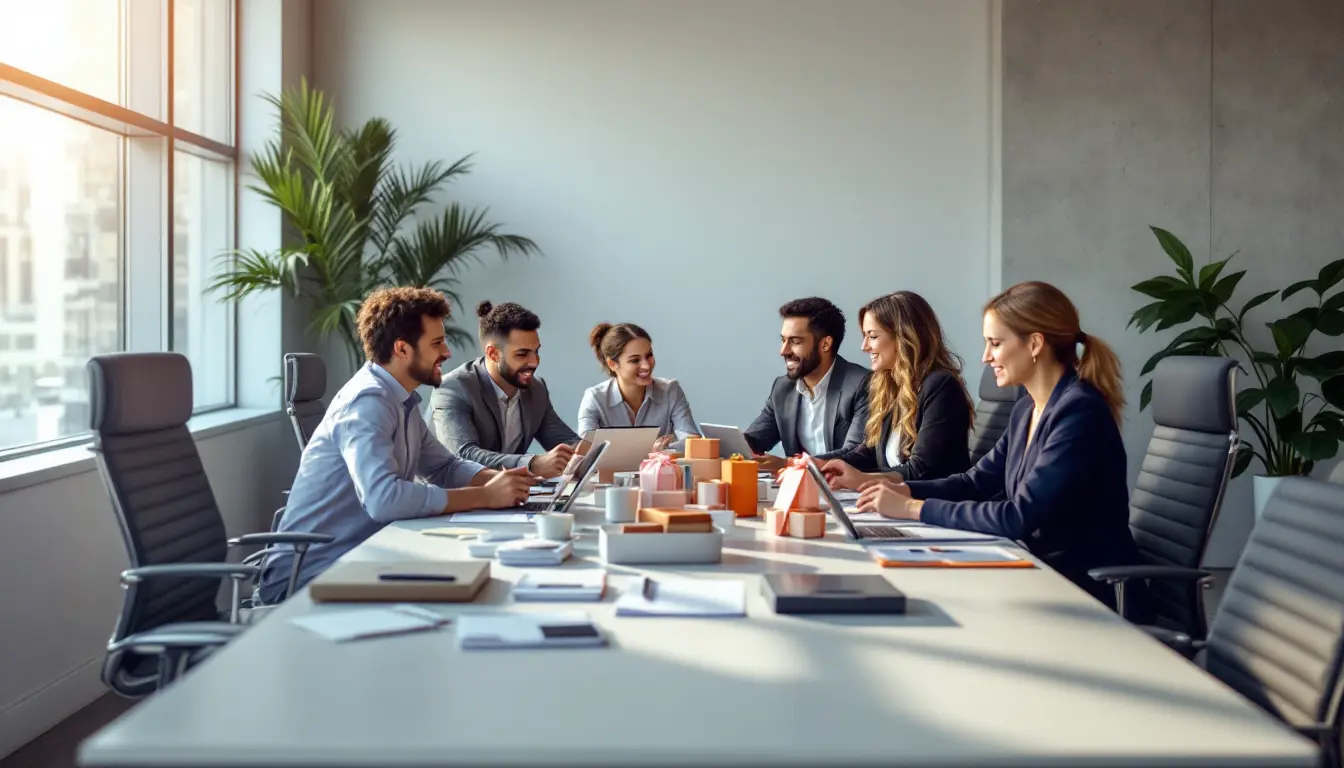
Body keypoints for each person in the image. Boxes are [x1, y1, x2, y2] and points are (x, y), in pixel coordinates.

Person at [853, 281, 1142, 608]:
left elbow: (1019, 516)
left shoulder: (1079, 411)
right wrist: (904, 491)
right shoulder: (1026, 410)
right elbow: (974, 482)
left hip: (1084, 589)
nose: (985, 356)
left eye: (995, 343)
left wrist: (912, 509)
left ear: (1034, 343)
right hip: (1038, 572)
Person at [259, 288, 536, 602]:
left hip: (363, 559)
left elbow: (444, 466)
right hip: (310, 576)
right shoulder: (368, 401)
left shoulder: (399, 398)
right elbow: (384, 499)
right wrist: (485, 496)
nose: (446, 352)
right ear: (403, 349)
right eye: (436, 343)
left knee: (482, 576)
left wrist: (510, 483)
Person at [821, 291, 973, 488]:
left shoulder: (941, 386)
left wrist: (862, 480)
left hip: (932, 508)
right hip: (897, 503)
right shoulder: (892, 387)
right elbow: (869, 453)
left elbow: (922, 470)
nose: (864, 346)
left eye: (872, 336)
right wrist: (823, 466)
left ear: (903, 337)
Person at [431, 300, 580, 477]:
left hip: (507, 498)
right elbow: (462, 455)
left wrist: (601, 451)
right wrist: (531, 464)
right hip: (453, 498)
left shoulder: (536, 388)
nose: (534, 362)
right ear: (493, 353)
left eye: (536, 351)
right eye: (522, 354)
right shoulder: (453, 387)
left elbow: (566, 443)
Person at [743, 297, 871, 471]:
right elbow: (755, 440)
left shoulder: (862, 385)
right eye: (783, 340)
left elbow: (855, 452)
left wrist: (789, 464)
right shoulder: (783, 388)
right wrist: (720, 447)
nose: (784, 351)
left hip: (848, 492)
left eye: (795, 341)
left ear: (825, 344)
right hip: (799, 490)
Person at [577, 322, 700, 452]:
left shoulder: (671, 391)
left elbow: (692, 442)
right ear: (612, 364)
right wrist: (651, 451)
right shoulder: (595, 398)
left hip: (660, 472)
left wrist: (659, 451)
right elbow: (585, 453)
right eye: (635, 360)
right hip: (610, 473)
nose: (646, 366)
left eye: (649, 355)